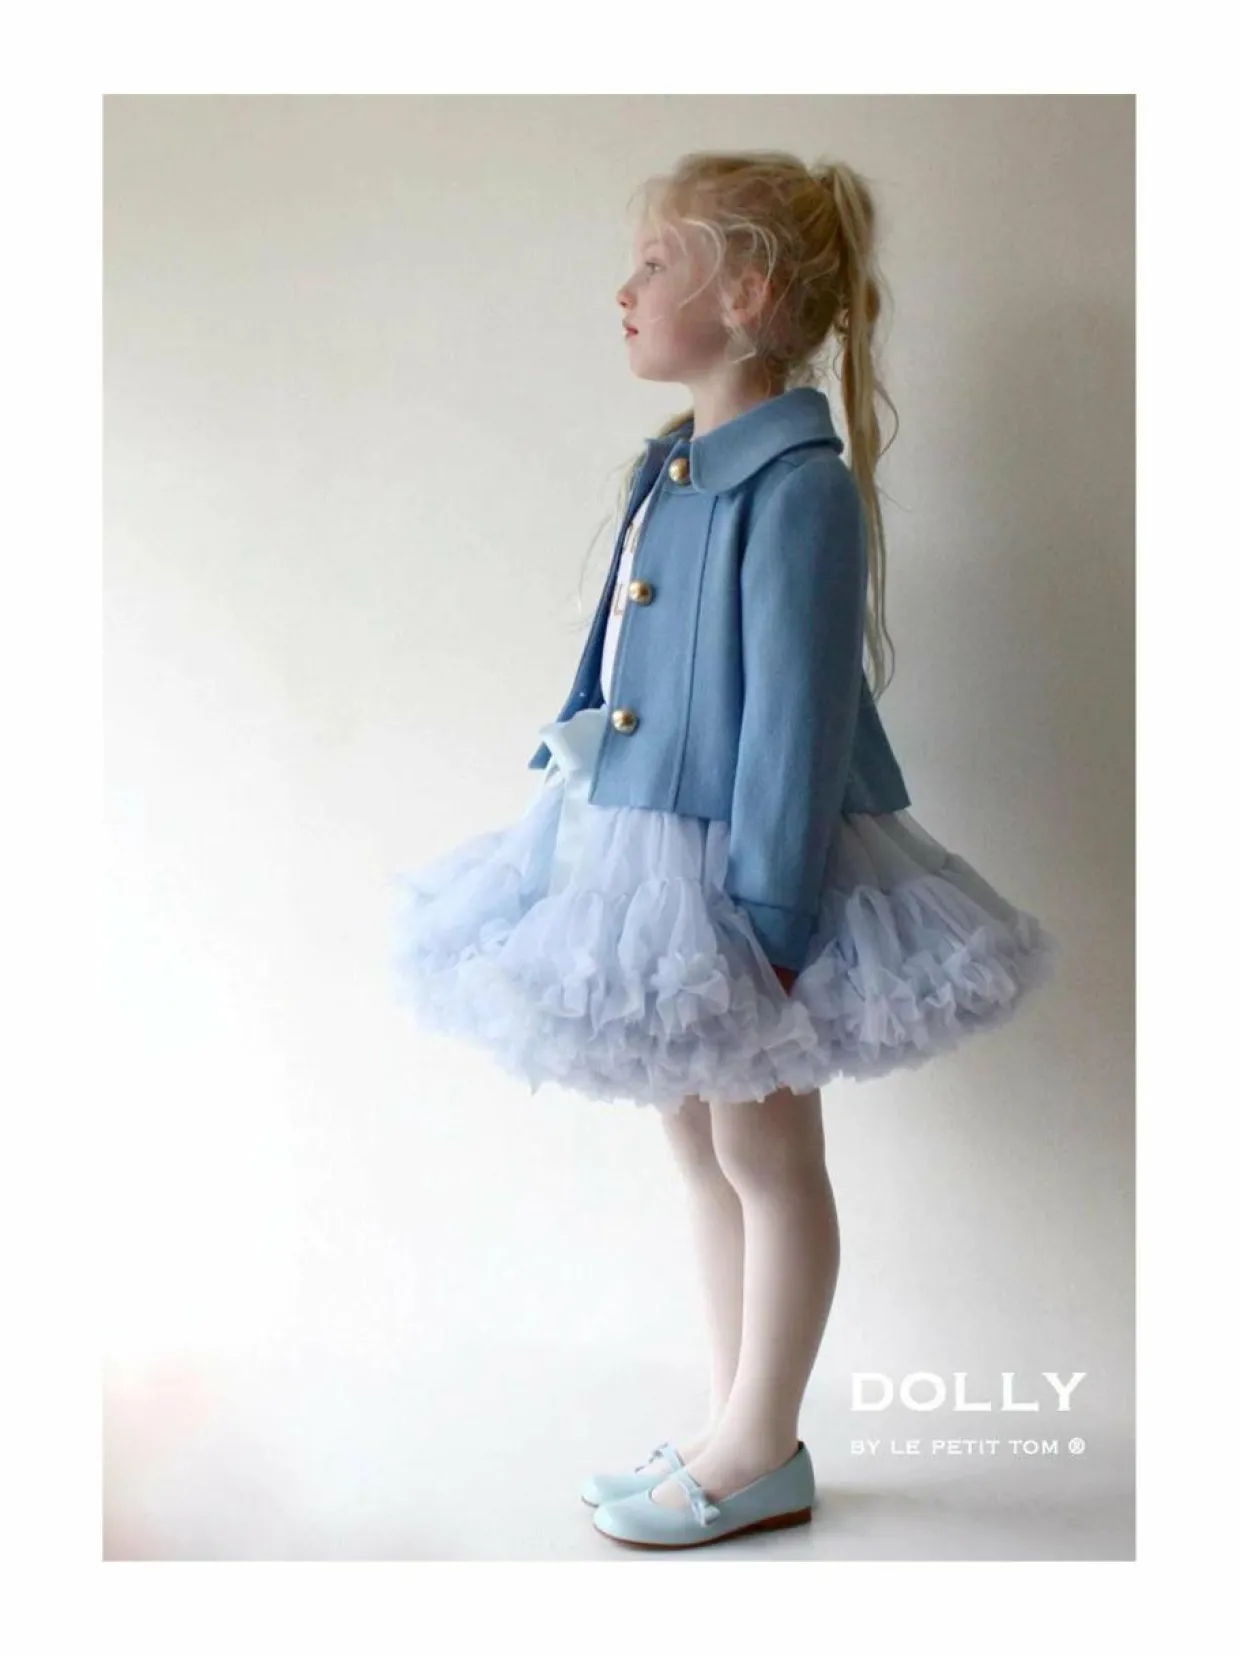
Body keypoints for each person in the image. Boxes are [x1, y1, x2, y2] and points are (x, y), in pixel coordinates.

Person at [392, 150, 1058, 1549]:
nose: (624, 290)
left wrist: (771, 921)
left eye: (654, 264)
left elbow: (797, 726)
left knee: (765, 1148)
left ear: (745, 294)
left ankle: (762, 1446)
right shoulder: (678, 464)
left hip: (750, 865)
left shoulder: (798, 485)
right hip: (640, 843)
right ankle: (727, 1424)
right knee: (697, 1144)